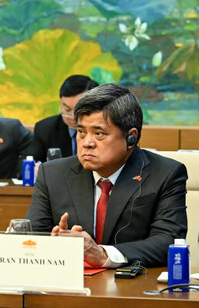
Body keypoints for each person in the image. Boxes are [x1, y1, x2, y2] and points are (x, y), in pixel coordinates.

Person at [25, 83, 187, 267]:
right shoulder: (53, 173)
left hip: (134, 288)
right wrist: (52, 244)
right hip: (72, 288)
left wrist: (103, 254)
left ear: (131, 137)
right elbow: (31, 237)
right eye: (81, 132)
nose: (87, 143)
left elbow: (169, 242)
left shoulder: (165, 174)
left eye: (99, 133)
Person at [32, 75, 98, 162]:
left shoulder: (104, 130)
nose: (72, 117)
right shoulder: (45, 129)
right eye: (67, 109)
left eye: (78, 110)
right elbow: (32, 162)